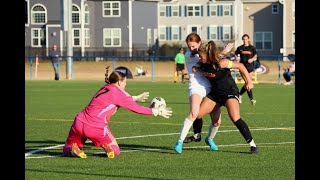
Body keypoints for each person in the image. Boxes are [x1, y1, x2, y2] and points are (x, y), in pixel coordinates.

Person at [62, 66, 173, 158]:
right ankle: (107, 146)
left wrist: (135, 97)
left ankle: (73, 148)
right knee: (115, 150)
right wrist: (156, 111)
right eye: (125, 82)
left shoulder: (105, 87)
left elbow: (114, 99)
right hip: (95, 127)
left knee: (67, 148)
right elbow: (137, 108)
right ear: (119, 82)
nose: (125, 85)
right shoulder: (119, 93)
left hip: (79, 122)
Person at [174, 32, 233, 153]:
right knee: (194, 113)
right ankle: (179, 142)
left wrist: (223, 52)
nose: (191, 49)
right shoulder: (190, 55)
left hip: (210, 86)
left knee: (217, 121)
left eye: (193, 46)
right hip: (196, 86)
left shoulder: (203, 53)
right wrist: (223, 52)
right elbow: (210, 61)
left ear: (199, 43)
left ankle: (210, 139)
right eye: (189, 46)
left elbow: (212, 60)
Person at [195, 41, 259, 154]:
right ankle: (198, 136)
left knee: (234, 117)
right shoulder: (203, 63)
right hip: (215, 94)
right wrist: (199, 69)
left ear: (207, 54)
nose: (199, 57)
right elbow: (207, 66)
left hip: (230, 92)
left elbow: (240, 66)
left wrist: (248, 81)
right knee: (197, 114)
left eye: (200, 55)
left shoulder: (221, 63)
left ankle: (252, 145)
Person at [235, 34, 258, 105]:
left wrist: (252, 59)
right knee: (248, 83)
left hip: (250, 67)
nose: (245, 40)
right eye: (243, 39)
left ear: (248, 39)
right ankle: (252, 99)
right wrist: (237, 58)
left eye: (246, 39)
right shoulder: (240, 48)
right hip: (242, 67)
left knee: (248, 83)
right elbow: (236, 53)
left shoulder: (252, 48)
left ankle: (239, 95)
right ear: (242, 40)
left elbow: (255, 55)